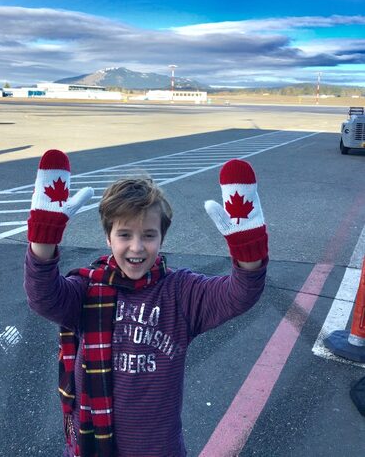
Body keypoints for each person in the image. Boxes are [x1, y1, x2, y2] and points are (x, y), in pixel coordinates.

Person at [24, 150, 269, 457]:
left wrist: (248, 250)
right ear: (108, 237)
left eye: (149, 235)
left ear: (162, 239)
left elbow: (240, 293)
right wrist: (44, 239)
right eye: (124, 234)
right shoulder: (87, 289)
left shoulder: (180, 293)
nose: (136, 247)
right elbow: (43, 296)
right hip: (93, 445)